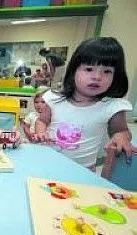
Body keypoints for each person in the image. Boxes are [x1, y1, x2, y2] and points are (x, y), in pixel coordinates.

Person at [35, 37, 136, 170]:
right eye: (89, 69)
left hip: (83, 170)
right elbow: (42, 121)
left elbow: (121, 131)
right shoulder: (55, 99)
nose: (97, 77)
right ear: (74, 71)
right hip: (47, 162)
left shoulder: (111, 106)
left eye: (107, 71)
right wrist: (41, 133)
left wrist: (121, 137)